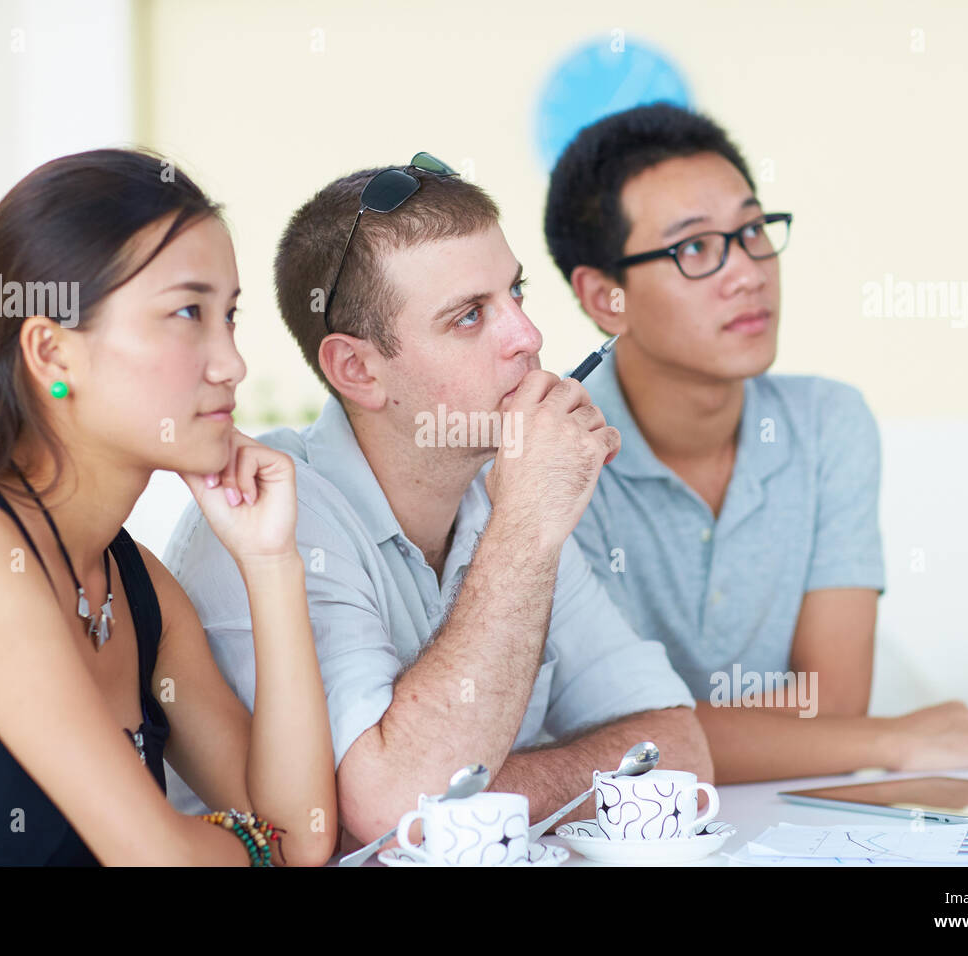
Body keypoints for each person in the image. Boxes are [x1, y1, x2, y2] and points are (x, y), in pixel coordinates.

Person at [163, 153, 712, 847]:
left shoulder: (502, 494)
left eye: (516, 292)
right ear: (358, 370)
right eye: (469, 317)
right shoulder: (267, 511)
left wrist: (483, 799)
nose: (529, 336)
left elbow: (682, 749)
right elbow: (392, 812)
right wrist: (524, 532)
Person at [0, 149, 336, 865]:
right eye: (187, 312)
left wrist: (270, 561)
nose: (232, 363)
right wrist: (248, 842)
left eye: (230, 315)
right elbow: (168, 860)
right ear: (54, 354)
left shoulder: (136, 585)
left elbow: (302, 839)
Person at [543, 103, 968, 782]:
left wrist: (672, 729)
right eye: (694, 247)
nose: (749, 270)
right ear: (608, 298)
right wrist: (888, 743)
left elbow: (835, 698)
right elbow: (609, 736)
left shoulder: (827, 423)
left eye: (752, 230)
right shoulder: (554, 458)